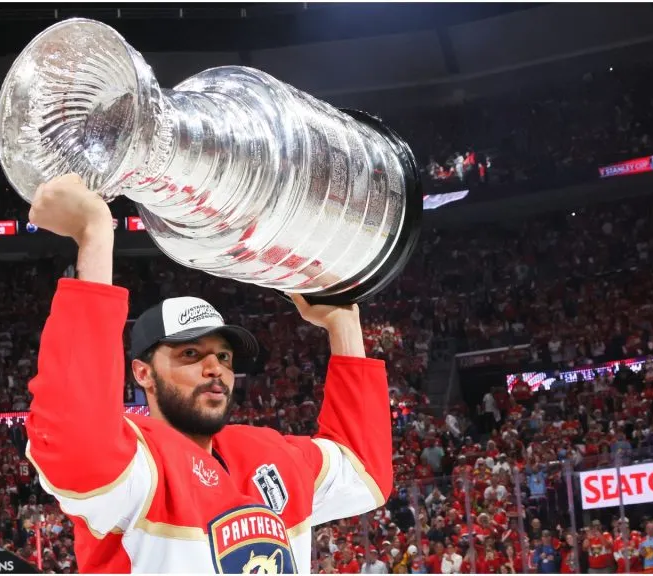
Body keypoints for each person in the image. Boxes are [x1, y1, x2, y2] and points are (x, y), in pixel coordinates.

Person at [23, 174, 392, 573]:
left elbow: (364, 471)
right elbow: (74, 441)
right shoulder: (140, 467)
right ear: (143, 373)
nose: (215, 368)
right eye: (191, 353)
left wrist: (343, 325)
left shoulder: (270, 457)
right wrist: (94, 236)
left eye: (225, 356)